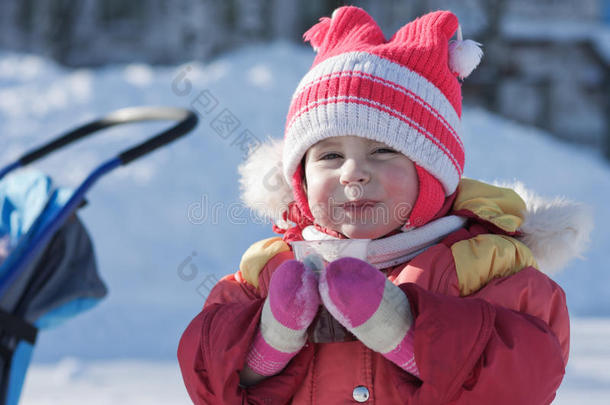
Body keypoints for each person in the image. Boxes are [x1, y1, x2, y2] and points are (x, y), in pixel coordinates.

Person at [178, 6, 591, 404]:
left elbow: (524, 379)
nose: (352, 173)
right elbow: (207, 374)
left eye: (382, 151)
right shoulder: (269, 268)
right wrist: (269, 341)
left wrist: (402, 333)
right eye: (329, 156)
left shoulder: (486, 263)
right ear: (300, 178)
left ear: (431, 173)